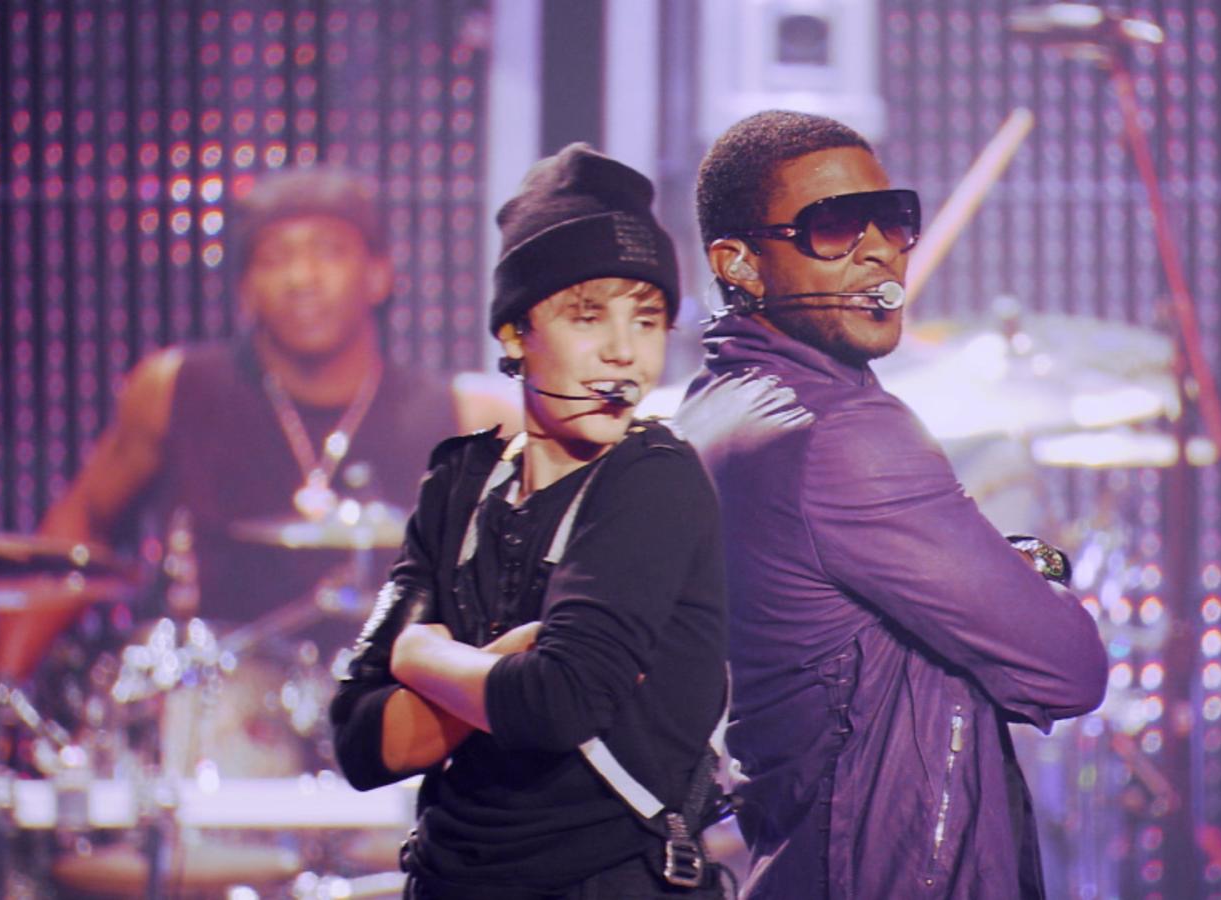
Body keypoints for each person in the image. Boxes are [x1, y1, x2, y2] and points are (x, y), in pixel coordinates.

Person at [675, 110, 1110, 899]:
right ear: (739, 263)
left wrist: (1000, 563)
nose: (879, 249)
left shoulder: (712, 408)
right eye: (835, 226)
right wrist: (1035, 566)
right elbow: (1067, 669)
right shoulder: (844, 434)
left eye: (893, 219)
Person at [329, 143, 729, 899]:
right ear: (516, 332)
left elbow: (557, 704)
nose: (624, 352)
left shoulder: (653, 479)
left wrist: (422, 656)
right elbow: (359, 741)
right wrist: (496, 669)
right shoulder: (459, 484)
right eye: (588, 316)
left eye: (647, 321)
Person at [37, 164, 520, 631]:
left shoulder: (464, 417)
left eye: (328, 252)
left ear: (378, 274)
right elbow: (82, 524)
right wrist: (7, 676)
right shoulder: (175, 389)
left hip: (394, 682)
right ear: (245, 290)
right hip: (216, 678)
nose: (301, 279)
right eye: (273, 258)